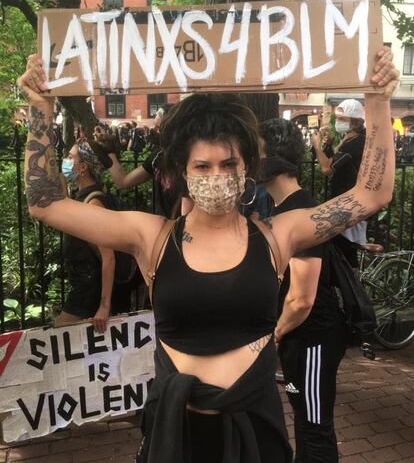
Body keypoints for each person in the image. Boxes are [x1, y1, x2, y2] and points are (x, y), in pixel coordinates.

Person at [19, 47, 397, 462]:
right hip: (177, 435)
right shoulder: (152, 238)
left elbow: (371, 193)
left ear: (247, 167)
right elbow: (45, 203)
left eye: (228, 164)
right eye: (202, 166)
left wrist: (377, 102)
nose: (217, 176)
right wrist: (40, 109)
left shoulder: (277, 236)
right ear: (183, 170)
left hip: (255, 431)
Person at [259, 118, 347, 463]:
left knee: (313, 423)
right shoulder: (285, 207)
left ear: (274, 161)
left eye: (257, 153)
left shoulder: (299, 212)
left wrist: (275, 333)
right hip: (302, 342)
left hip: (312, 341)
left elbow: (301, 299)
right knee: (303, 414)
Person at [56, 139, 115, 333]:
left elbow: (108, 257)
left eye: (70, 157)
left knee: (60, 332)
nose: (65, 161)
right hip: (81, 285)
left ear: (82, 167)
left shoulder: (94, 203)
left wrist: (103, 306)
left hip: (88, 291)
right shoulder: (81, 195)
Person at [92, 103, 180, 218]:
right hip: (166, 226)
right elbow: (123, 182)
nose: (153, 130)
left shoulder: (190, 157)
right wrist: (109, 152)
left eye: (158, 128)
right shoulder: (158, 157)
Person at [311, 99, 367, 268]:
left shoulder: (358, 143)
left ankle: (353, 291)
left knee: (346, 253)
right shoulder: (348, 140)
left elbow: (327, 169)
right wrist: (327, 144)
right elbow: (332, 159)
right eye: (338, 118)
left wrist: (317, 145)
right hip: (342, 200)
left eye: (343, 119)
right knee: (339, 251)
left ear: (356, 122)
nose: (338, 122)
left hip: (351, 203)